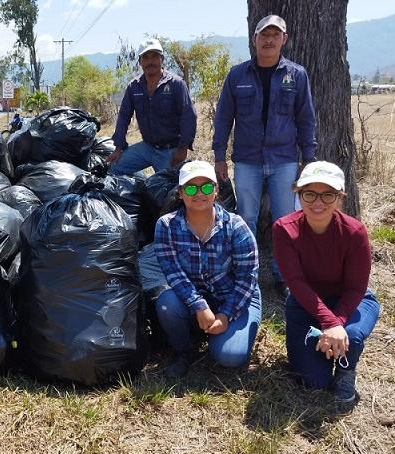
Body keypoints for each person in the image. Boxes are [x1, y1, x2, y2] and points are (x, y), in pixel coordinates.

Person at [212, 15, 317, 294]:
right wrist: (219, 156)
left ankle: (284, 276)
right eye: (264, 35)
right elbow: (223, 118)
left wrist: (309, 158)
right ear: (254, 39)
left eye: (275, 35)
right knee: (246, 218)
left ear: (284, 39)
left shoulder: (297, 75)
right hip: (247, 160)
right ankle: (247, 275)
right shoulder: (237, 75)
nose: (269, 40)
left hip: (284, 160)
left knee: (284, 219)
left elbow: (306, 118)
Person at [272, 161, 379, 404]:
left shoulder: (354, 231)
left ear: (340, 197)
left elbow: (356, 287)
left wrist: (335, 324)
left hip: (351, 301)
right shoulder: (284, 229)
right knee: (313, 381)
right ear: (298, 194)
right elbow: (295, 283)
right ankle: (328, 347)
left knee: (351, 334)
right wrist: (329, 322)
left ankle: (345, 370)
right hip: (305, 304)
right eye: (309, 194)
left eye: (328, 195)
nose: (318, 202)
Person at [154, 160, 260, 378]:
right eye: (191, 188)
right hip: (193, 296)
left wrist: (225, 314)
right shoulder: (166, 225)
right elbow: (173, 272)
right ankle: (183, 350)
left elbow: (247, 278)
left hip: (235, 297)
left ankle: (219, 331)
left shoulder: (236, 226)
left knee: (230, 356)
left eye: (206, 187)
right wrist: (198, 305)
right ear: (180, 193)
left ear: (216, 190)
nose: (199, 193)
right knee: (166, 304)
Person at [107, 38, 197, 176]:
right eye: (146, 58)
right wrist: (118, 148)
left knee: (166, 186)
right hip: (147, 147)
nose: (150, 62)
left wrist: (183, 148)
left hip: (170, 151)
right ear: (140, 62)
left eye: (154, 56)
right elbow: (124, 117)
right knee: (114, 168)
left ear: (162, 59)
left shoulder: (176, 84)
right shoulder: (134, 86)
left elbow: (189, 116)